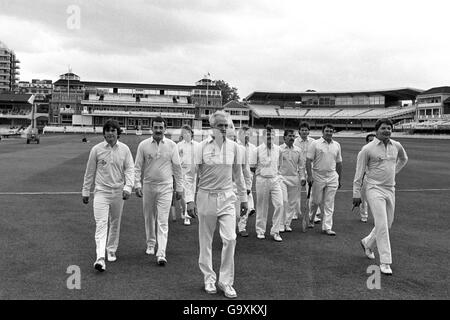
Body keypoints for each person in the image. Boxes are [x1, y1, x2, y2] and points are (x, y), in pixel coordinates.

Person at [190, 111, 247, 299]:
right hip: (205, 197)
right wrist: (189, 199)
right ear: (211, 127)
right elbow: (191, 175)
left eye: (226, 125)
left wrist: (244, 198)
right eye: (219, 125)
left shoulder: (235, 148)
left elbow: (238, 175)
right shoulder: (200, 147)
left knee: (230, 238)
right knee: (205, 241)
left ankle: (226, 282)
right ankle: (208, 278)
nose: (223, 128)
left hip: (227, 197)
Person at [353, 119, 408, 276]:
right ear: (377, 130)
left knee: (387, 224)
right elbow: (358, 174)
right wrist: (356, 194)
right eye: (383, 128)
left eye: (389, 128)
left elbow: (404, 159)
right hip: (373, 188)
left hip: (390, 189)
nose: (387, 131)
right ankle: (385, 262)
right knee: (382, 224)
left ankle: (368, 243)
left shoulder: (396, 145)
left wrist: (393, 172)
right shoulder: (367, 149)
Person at [82, 119, 135, 272]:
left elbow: (130, 169)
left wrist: (128, 187)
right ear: (103, 133)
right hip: (101, 192)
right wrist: (86, 191)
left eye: (113, 130)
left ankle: (111, 249)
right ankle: (100, 258)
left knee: (115, 222)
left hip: (118, 192)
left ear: (118, 133)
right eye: (107, 130)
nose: (110, 133)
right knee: (101, 223)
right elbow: (89, 172)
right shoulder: (96, 149)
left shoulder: (124, 149)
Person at [134, 116, 183, 266]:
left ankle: (161, 252)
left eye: (161, 128)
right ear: (151, 128)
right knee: (149, 217)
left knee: (163, 221)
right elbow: (137, 167)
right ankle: (150, 243)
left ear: (165, 129)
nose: (158, 130)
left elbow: (177, 168)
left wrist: (179, 187)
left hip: (166, 187)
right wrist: (137, 184)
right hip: (148, 185)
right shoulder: (143, 145)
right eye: (155, 127)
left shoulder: (171, 145)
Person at [306, 124, 342, 236]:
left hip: (332, 176)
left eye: (331, 131)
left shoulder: (337, 145)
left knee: (329, 203)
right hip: (317, 175)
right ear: (323, 132)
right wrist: (310, 176)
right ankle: (311, 218)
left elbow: (339, 163)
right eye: (327, 131)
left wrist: (339, 179)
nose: (329, 133)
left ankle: (327, 227)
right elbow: (308, 161)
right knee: (315, 201)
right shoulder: (315, 144)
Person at [250, 125, 284, 242]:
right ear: (263, 136)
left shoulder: (279, 149)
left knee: (280, 204)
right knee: (262, 207)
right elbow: (252, 167)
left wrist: (276, 174)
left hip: (275, 180)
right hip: (262, 180)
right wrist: (261, 173)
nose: (270, 136)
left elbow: (280, 165)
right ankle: (260, 231)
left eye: (272, 134)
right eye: (267, 134)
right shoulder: (257, 150)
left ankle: (275, 231)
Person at [294, 122, 322, 224]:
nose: (304, 132)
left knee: (311, 193)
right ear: (299, 131)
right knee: (295, 193)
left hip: (310, 170)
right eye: (302, 130)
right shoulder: (295, 142)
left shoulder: (313, 142)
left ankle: (312, 215)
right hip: (298, 170)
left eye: (306, 130)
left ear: (308, 131)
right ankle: (294, 213)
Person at [279, 129, 306, 232]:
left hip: (294, 179)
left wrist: (303, 177)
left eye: (293, 136)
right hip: (282, 178)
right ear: (284, 137)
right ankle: (280, 224)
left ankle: (287, 223)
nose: (291, 138)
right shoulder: (279, 149)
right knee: (284, 201)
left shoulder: (298, 150)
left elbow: (301, 166)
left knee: (292, 203)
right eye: (289, 136)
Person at [236, 125, 257, 237]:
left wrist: (252, 170)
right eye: (244, 133)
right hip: (235, 180)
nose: (247, 136)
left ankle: (242, 227)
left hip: (248, 178)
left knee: (246, 204)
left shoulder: (253, 148)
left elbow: (255, 164)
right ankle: (232, 224)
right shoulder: (235, 146)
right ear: (240, 135)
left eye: (249, 134)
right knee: (234, 205)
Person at [177, 125, 199, 226]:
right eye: (183, 132)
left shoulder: (197, 146)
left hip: (193, 173)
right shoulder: (179, 145)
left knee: (191, 194)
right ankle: (183, 209)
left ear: (191, 133)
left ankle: (187, 216)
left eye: (187, 132)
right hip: (181, 173)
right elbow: (176, 160)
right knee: (182, 195)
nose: (185, 134)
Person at [358, 133, 376, 223]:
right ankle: (364, 216)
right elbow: (360, 168)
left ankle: (379, 217)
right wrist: (360, 180)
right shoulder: (363, 152)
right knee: (363, 198)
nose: (372, 142)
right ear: (366, 142)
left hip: (377, 179)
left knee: (377, 199)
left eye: (373, 140)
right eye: (370, 141)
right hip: (366, 178)